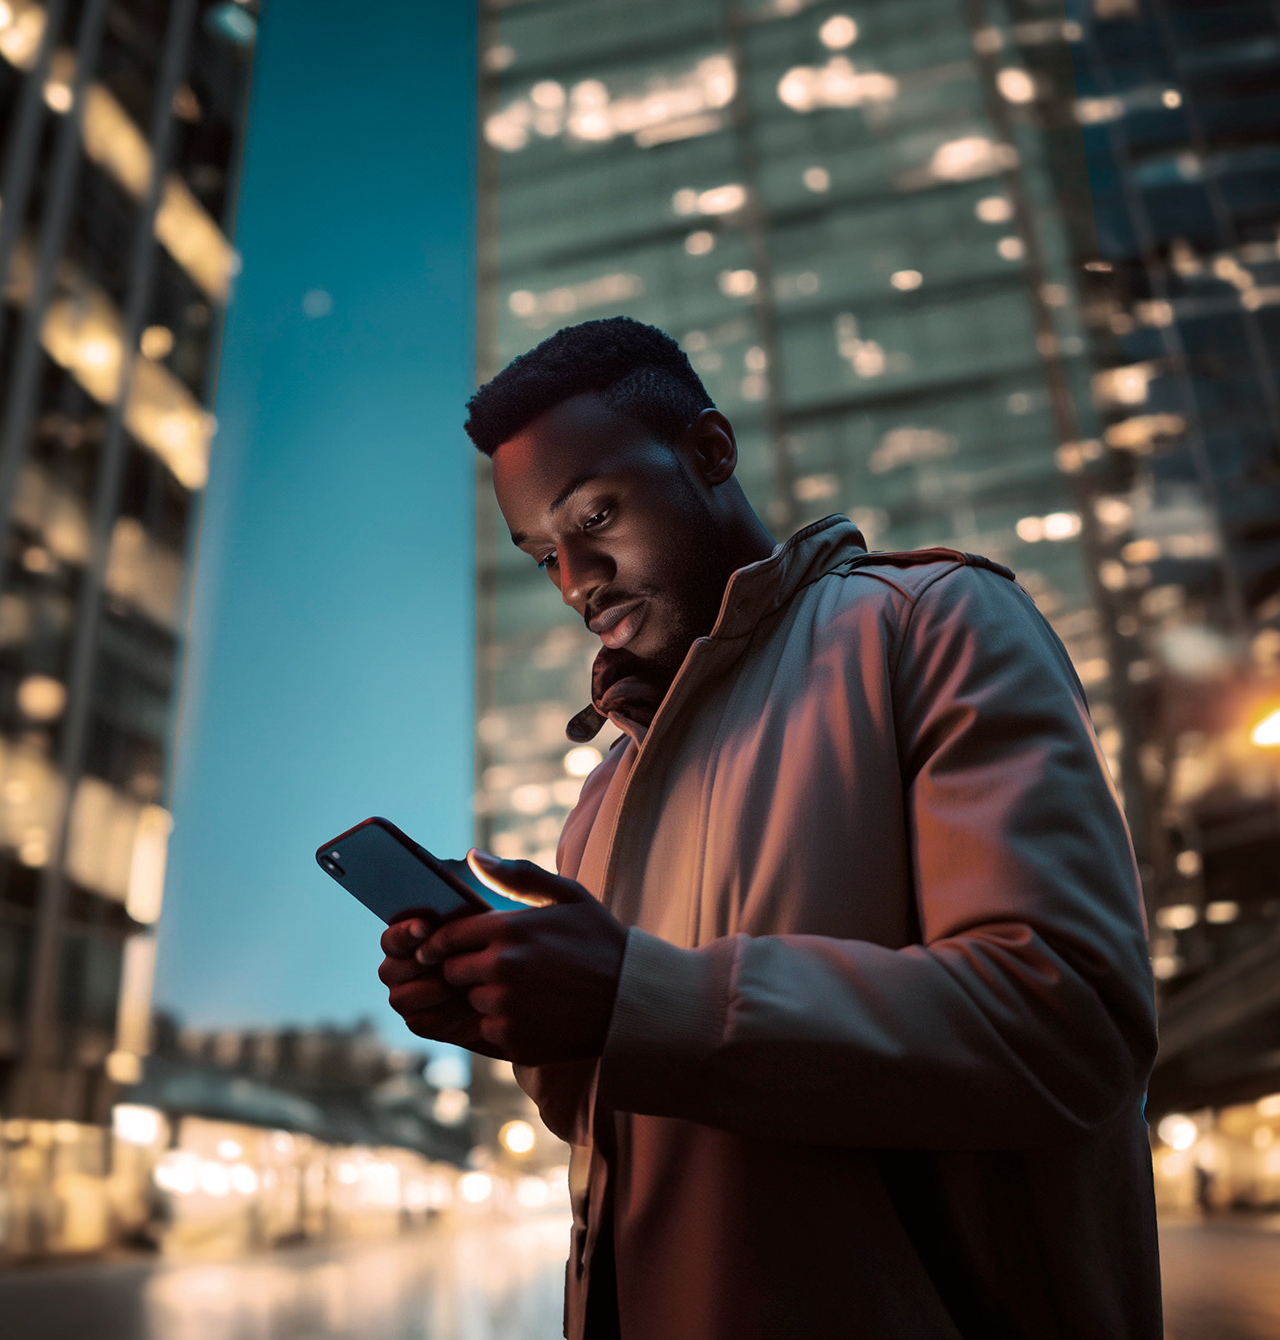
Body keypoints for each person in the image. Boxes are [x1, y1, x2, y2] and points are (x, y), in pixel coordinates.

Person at [378, 316, 1163, 1339]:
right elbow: (630, 1125)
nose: (576, 580)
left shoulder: (928, 622)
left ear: (709, 453)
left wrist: (627, 990)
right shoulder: (599, 796)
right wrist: (518, 1014)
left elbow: (1068, 1022)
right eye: (543, 557)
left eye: (598, 515)